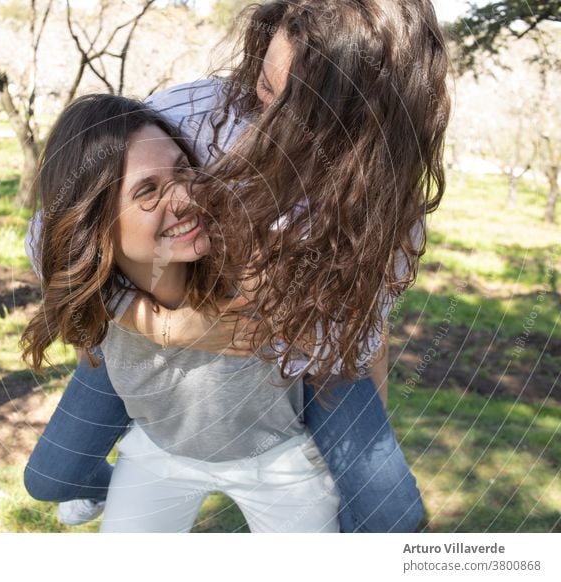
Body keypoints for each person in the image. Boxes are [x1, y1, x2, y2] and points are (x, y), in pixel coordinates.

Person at [23, 0, 449, 532]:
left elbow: (348, 344)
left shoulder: (387, 208)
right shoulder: (196, 114)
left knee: (389, 515)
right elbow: (53, 233)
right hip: (148, 347)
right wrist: (159, 322)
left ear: (366, 123)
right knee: (52, 474)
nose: (260, 116)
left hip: (286, 366)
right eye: (263, 85)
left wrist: (251, 320)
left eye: (295, 109)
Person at [21, 93, 342, 532]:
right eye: (147, 191)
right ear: (94, 220)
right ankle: (99, 490)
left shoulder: (248, 260)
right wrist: (160, 323)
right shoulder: (94, 294)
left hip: (274, 458)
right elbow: (46, 238)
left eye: (183, 171)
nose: (188, 198)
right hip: (161, 452)